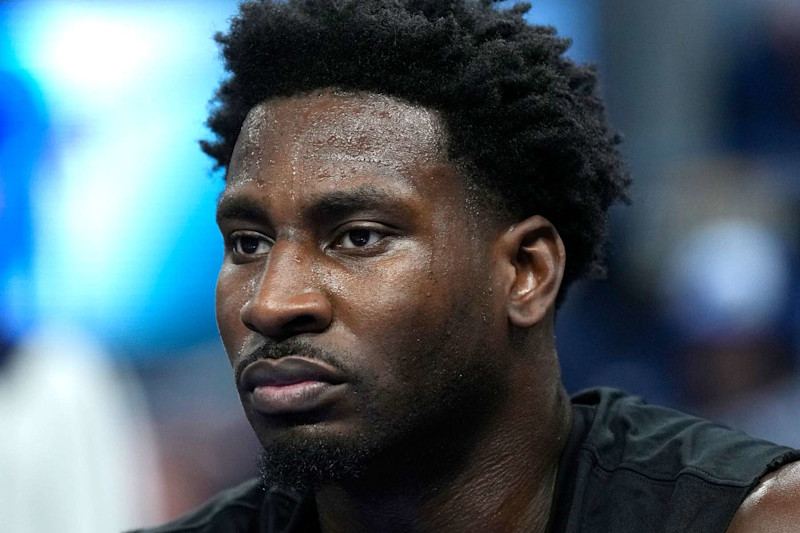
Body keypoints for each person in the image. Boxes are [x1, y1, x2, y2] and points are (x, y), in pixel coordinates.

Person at [130, 1, 800, 531]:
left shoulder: (755, 521)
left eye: (358, 237)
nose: (271, 302)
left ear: (526, 271)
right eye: (248, 243)